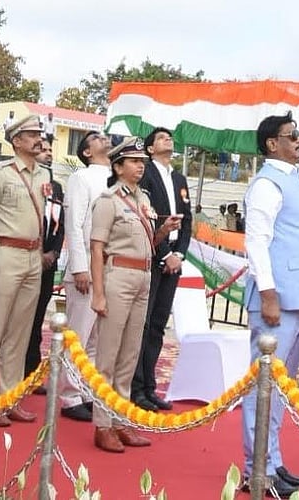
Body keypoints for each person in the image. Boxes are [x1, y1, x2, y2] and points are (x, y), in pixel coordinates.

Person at [240, 111, 299, 497]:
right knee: (264, 386)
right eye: (292, 136)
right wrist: (268, 292)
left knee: (280, 387)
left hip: (298, 297)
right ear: (271, 144)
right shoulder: (267, 183)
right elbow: (256, 240)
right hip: (278, 299)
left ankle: (271, 461)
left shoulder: (294, 180)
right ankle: (255, 469)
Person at [89, 137, 181, 453]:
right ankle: (103, 424)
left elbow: (148, 243)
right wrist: (98, 293)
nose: (140, 166)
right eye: (133, 161)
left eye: (142, 161)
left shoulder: (143, 199)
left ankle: (120, 420)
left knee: (129, 355)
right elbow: (97, 248)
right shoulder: (108, 200)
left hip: (143, 275)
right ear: (118, 167)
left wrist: (163, 231)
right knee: (108, 356)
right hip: (118, 276)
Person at [0, 115, 48, 427]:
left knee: (20, 334)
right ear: (16, 140)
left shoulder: (43, 173)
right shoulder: (1, 174)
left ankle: (10, 397)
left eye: (38, 134)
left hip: (33, 256)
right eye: (31, 134)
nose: (38, 139)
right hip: (6, 253)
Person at [130, 127, 193, 412]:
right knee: (141, 325)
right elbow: (147, 216)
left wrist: (179, 253)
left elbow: (188, 219)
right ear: (151, 148)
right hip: (153, 255)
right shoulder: (146, 175)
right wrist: (165, 253)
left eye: (170, 137)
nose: (169, 140)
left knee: (157, 325)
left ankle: (150, 387)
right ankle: (136, 387)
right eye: (162, 138)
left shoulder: (178, 178)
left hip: (173, 260)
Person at [58, 131, 112, 422]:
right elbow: (75, 225)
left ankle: (87, 390)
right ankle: (68, 396)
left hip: (109, 270)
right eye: (96, 137)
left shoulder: (114, 178)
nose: (104, 138)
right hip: (87, 269)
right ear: (87, 152)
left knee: (95, 339)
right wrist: (79, 266)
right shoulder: (82, 178)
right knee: (78, 335)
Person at [24, 139, 64, 387]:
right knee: (21, 320)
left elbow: (61, 226)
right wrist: (37, 252)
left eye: (50, 150)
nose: (47, 154)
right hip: (27, 259)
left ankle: (32, 372)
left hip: (48, 263)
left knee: (38, 320)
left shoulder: (57, 188)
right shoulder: (27, 182)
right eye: (43, 150)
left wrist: (54, 252)